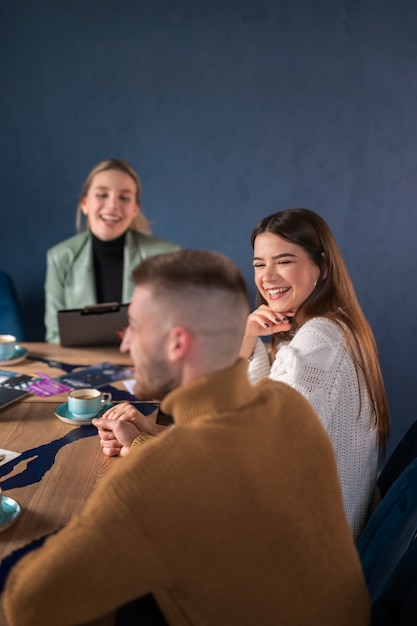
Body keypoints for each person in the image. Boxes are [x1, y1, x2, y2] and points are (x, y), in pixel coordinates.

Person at [4, 250, 370, 626]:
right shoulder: (289, 406)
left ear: (177, 343)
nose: (125, 344)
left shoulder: (152, 480)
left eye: (133, 326)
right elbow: (225, 464)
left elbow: (28, 607)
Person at [239, 207, 390, 540]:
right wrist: (248, 339)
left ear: (321, 267)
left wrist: (147, 441)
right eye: (259, 264)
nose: (268, 277)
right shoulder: (333, 327)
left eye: (284, 261)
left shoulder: (318, 340)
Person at [44, 158, 180, 343]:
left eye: (124, 197)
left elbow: (174, 329)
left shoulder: (164, 256)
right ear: (85, 203)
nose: (113, 205)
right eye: (102, 194)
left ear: (135, 209)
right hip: (77, 367)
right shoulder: (59, 257)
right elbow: (54, 336)